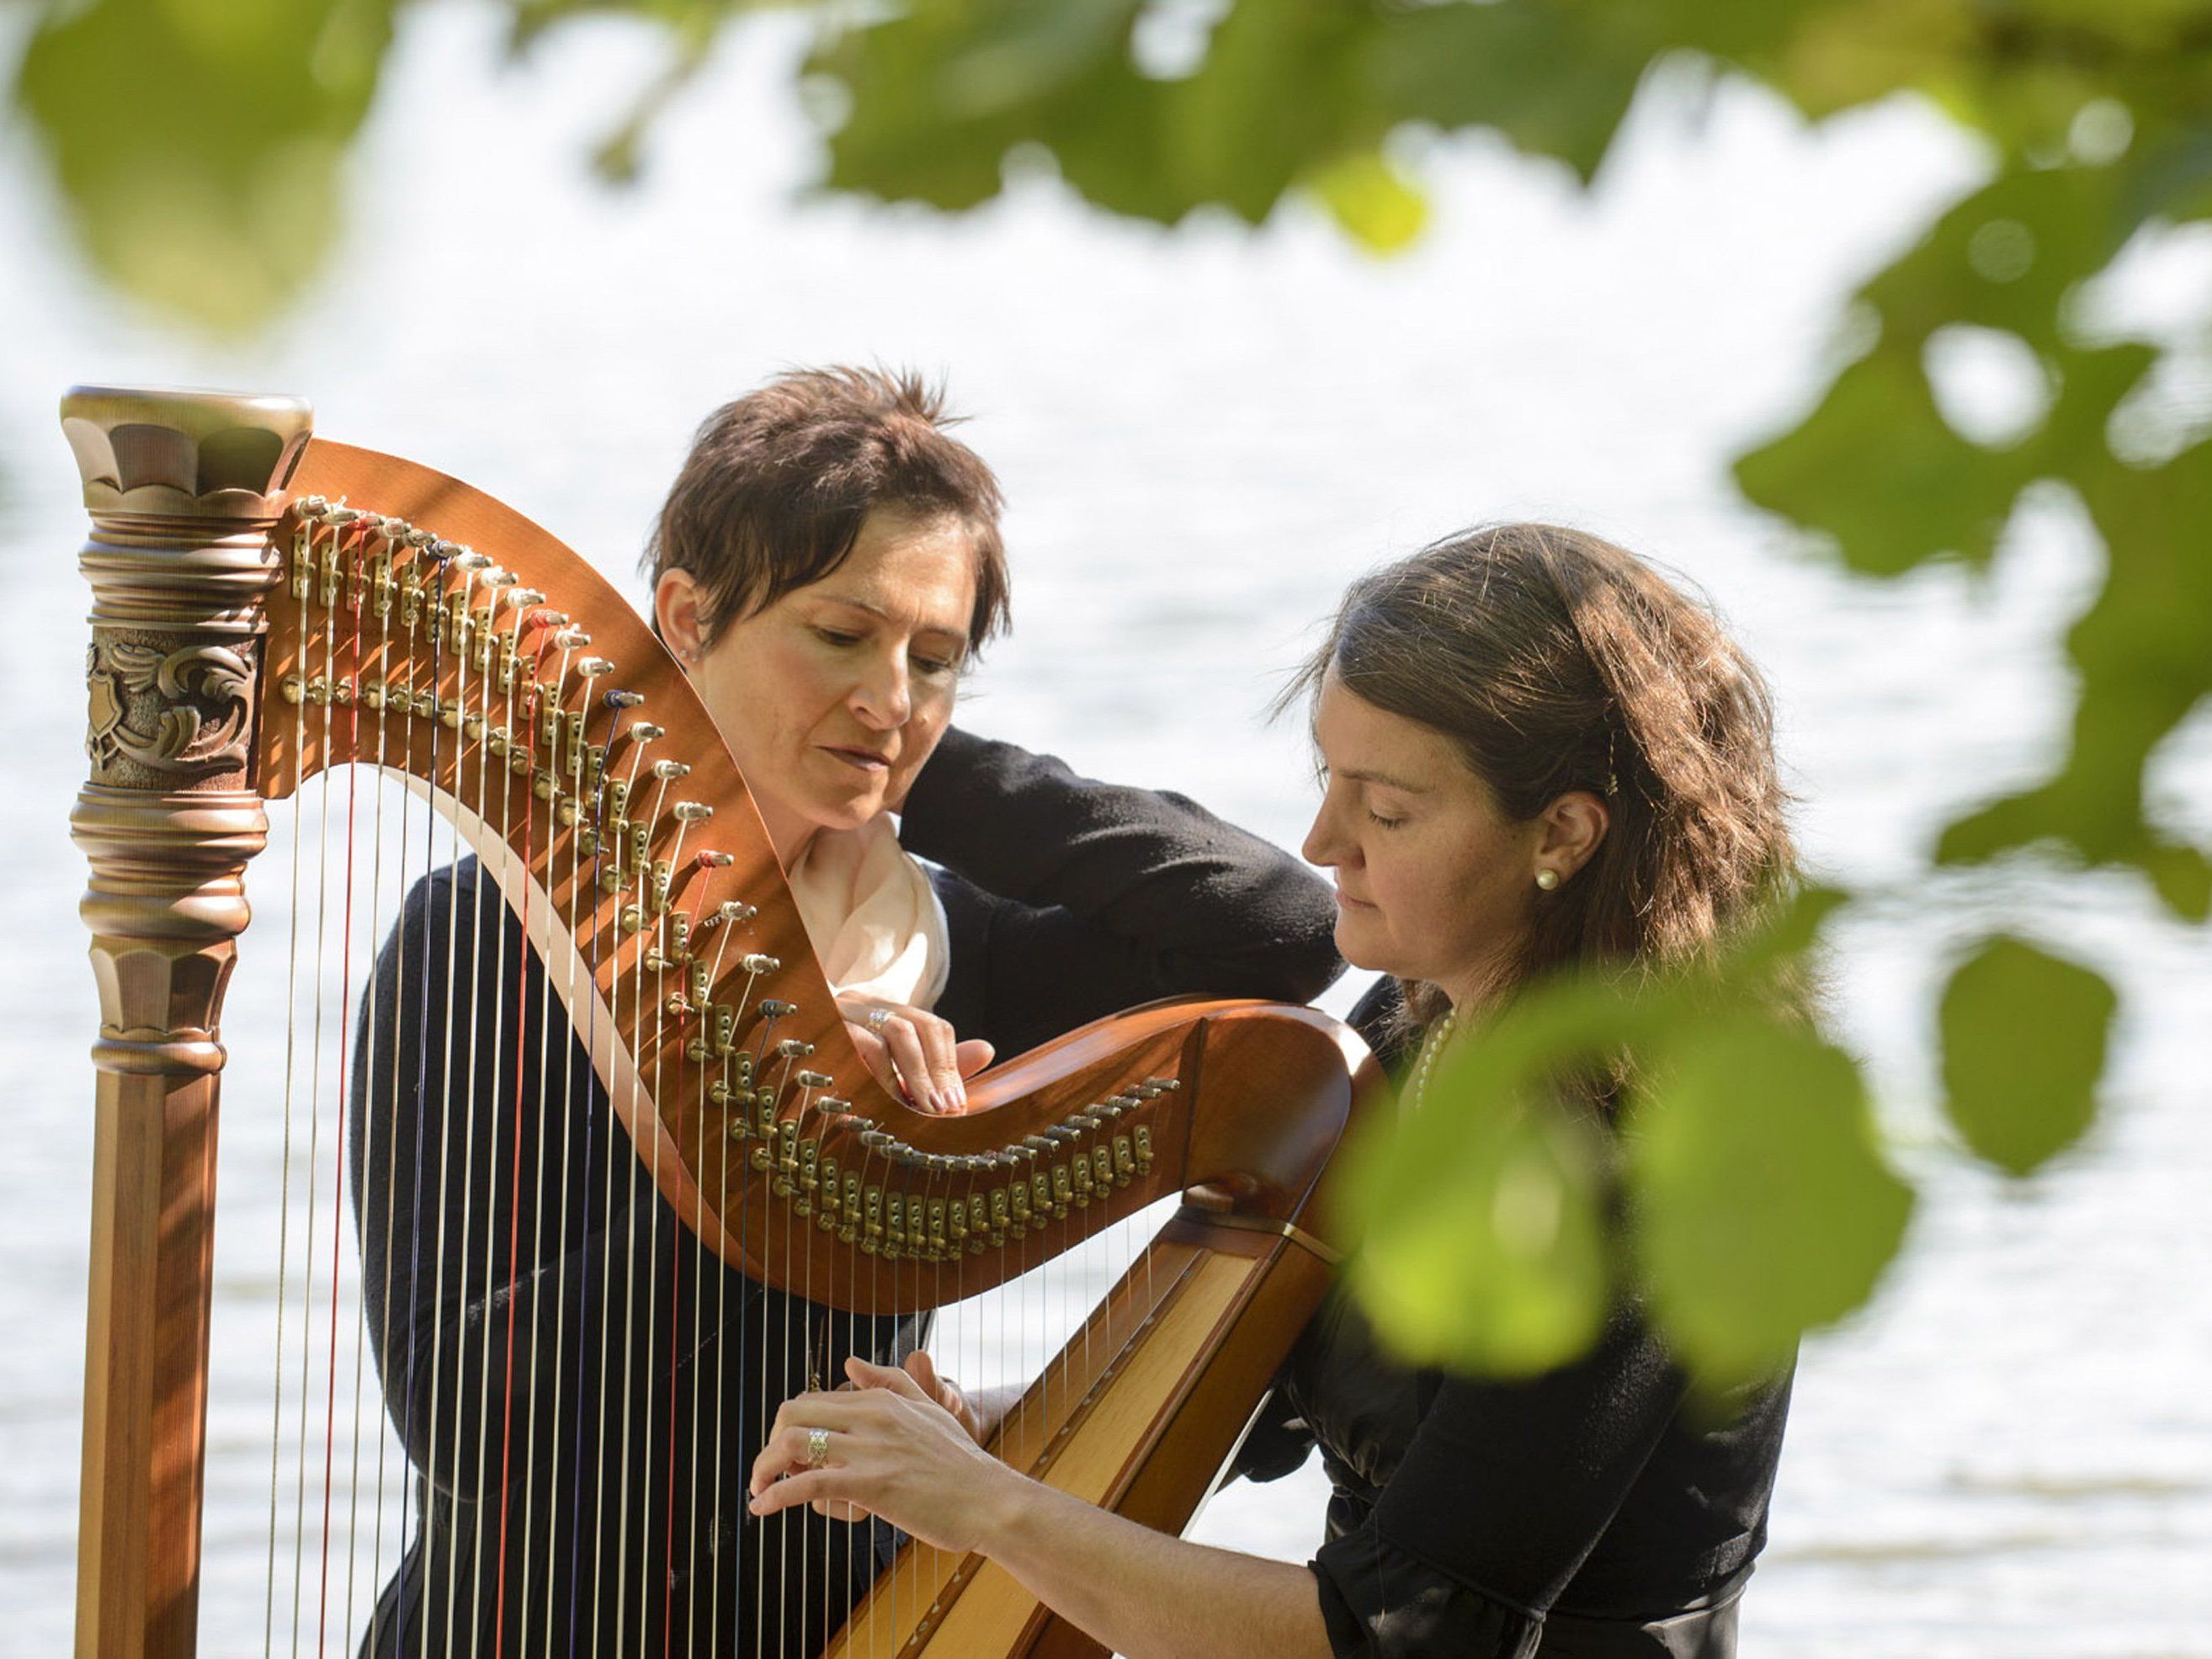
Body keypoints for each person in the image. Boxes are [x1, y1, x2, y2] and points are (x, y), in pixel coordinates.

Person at [349, 367, 1342, 1658]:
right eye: (839, 635)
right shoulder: (489, 935)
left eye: (936, 658)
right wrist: (788, 1116)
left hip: (851, 1624)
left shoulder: (943, 943)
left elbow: (1281, 929)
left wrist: (906, 764)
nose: (892, 693)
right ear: (685, 620)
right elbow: (458, 1422)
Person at [747, 523, 1802, 1658]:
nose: (1322, 840)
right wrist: (988, 1428)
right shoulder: (1418, 1028)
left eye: (1386, 811)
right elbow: (1272, 1391)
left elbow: (1408, 1633)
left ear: (1563, 835)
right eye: (1327, 781)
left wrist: (991, 1507)